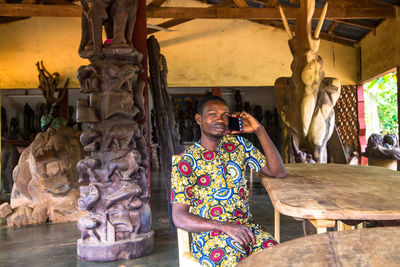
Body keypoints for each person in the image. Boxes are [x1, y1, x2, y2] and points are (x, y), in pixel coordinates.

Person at [171, 95, 286, 266]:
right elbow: (179, 217)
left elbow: (278, 172)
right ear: (198, 119)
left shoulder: (239, 145)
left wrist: (259, 130)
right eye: (212, 114)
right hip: (210, 236)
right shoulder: (185, 161)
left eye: (225, 115)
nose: (220, 119)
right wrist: (224, 226)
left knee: (278, 257)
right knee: (233, 260)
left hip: (246, 228)